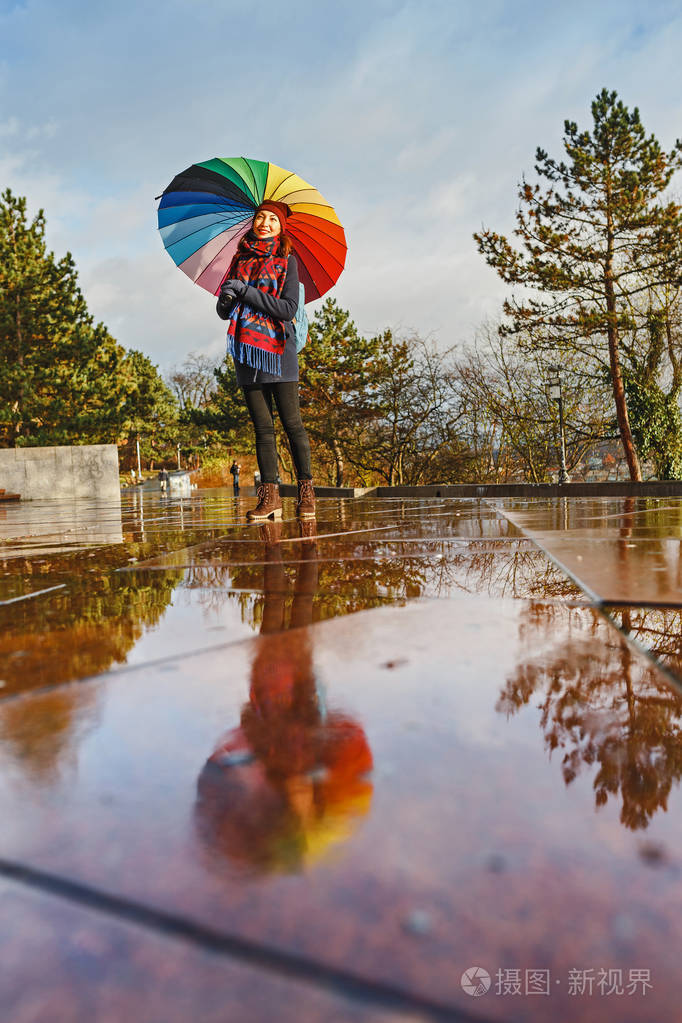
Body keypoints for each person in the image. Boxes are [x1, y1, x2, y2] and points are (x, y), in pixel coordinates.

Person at [216, 201, 315, 522]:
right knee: (262, 429)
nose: (265, 223)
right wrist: (227, 297)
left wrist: (244, 291)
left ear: (280, 227)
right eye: (261, 217)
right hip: (246, 352)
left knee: (292, 424)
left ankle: (306, 494)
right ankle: (270, 498)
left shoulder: (287, 261)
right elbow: (223, 313)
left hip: (279, 350)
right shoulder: (239, 261)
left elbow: (286, 309)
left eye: (272, 219)